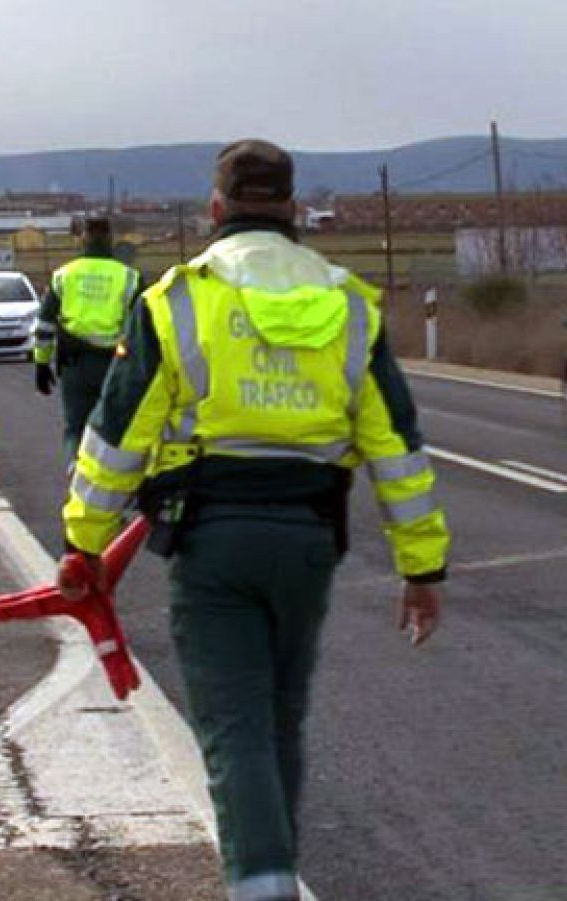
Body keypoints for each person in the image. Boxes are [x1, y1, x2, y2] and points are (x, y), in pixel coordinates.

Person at [60, 140, 450, 900]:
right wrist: (421, 566)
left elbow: (117, 438)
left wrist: (84, 540)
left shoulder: (177, 301)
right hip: (309, 540)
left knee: (234, 725)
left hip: (212, 540)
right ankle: (272, 872)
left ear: (216, 208)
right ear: (294, 209)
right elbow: (396, 448)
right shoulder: (348, 304)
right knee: (279, 720)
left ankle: (262, 884)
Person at [33, 214, 144, 461]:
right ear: (110, 238)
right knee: (116, 429)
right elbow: (144, 327)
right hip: (116, 364)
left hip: (75, 365)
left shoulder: (64, 275)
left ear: (82, 238)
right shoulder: (130, 277)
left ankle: (76, 473)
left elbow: (44, 324)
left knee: (76, 428)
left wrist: (41, 362)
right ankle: (111, 478)